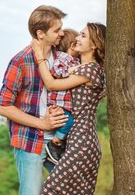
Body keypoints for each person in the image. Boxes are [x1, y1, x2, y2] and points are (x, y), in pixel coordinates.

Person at [0, 5, 70, 195]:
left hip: (59, 142)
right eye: (57, 30)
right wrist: (42, 124)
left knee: (71, 190)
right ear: (41, 33)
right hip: (30, 142)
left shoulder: (63, 59)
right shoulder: (20, 61)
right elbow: (3, 107)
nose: (62, 33)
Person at [32, 22, 106, 195]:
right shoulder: (79, 67)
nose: (78, 38)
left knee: (51, 190)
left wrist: (39, 55)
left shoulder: (91, 70)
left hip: (82, 143)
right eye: (79, 34)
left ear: (95, 45)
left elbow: (51, 84)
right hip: (76, 141)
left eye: (83, 36)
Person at [44, 28, 80, 164]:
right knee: (68, 122)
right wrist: (70, 71)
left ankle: (58, 144)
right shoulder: (63, 58)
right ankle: (54, 144)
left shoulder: (74, 60)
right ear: (72, 45)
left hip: (64, 103)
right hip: (58, 103)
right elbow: (56, 71)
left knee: (69, 124)